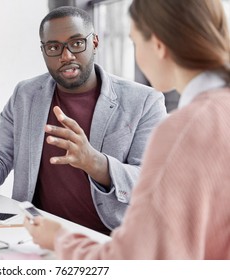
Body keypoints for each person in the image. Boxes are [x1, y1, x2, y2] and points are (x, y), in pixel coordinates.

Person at [24, 0, 230, 259]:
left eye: (133, 41)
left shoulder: (183, 130)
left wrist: (59, 239)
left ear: (156, 43)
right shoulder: (217, 112)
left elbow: (132, 261)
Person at [0, 6, 166, 235]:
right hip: (39, 235)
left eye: (77, 43)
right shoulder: (25, 95)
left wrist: (94, 162)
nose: (66, 56)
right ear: (44, 51)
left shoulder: (144, 101)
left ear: (94, 42)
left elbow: (151, 182)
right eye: (54, 47)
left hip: (108, 239)